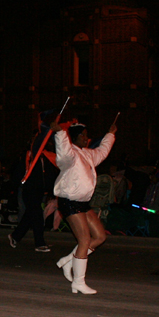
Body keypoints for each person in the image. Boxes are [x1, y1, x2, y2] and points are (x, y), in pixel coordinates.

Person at [51, 121, 117, 294]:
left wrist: (110, 135)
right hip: (69, 201)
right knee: (84, 240)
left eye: (87, 135)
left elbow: (102, 152)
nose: (86, 138)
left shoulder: (87, 154)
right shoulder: (70, 154)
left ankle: (69, 261)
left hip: (82, 202)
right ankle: (78, 282)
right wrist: (60, 133)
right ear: (74, 137)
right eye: (83, 135)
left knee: (100, 236)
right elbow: (63, 153)